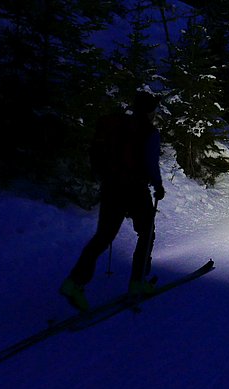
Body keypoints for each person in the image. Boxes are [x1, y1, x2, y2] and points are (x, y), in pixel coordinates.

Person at [60, 92, 166, 311]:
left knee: (104, 236)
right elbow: (150, 163)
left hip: (111, 187)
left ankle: (74, 282)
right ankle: (137, 282)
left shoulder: (118, 125)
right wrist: (158, 185)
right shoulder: (149, 132)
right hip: (135, 188)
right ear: (149, 111)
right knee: (146, 232)